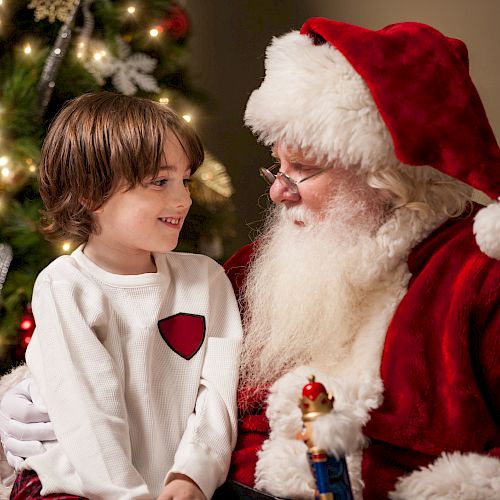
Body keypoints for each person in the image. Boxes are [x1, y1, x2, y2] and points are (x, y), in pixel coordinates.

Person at [1, 17, 500, 500]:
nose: (279, 192)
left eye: (302, 168)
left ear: (384, 173)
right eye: (276, 167)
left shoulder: (474, 276)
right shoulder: (255, 269)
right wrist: (29, 391)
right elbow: (119, 360)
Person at [0, 92, 242, 499]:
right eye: (160, 181)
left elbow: (217, 393)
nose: (182, 199)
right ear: (89, 193)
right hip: (75, 489)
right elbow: (89, 417)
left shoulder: (207, 280)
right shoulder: (65, 287)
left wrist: (192, 476)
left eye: (185, 179)